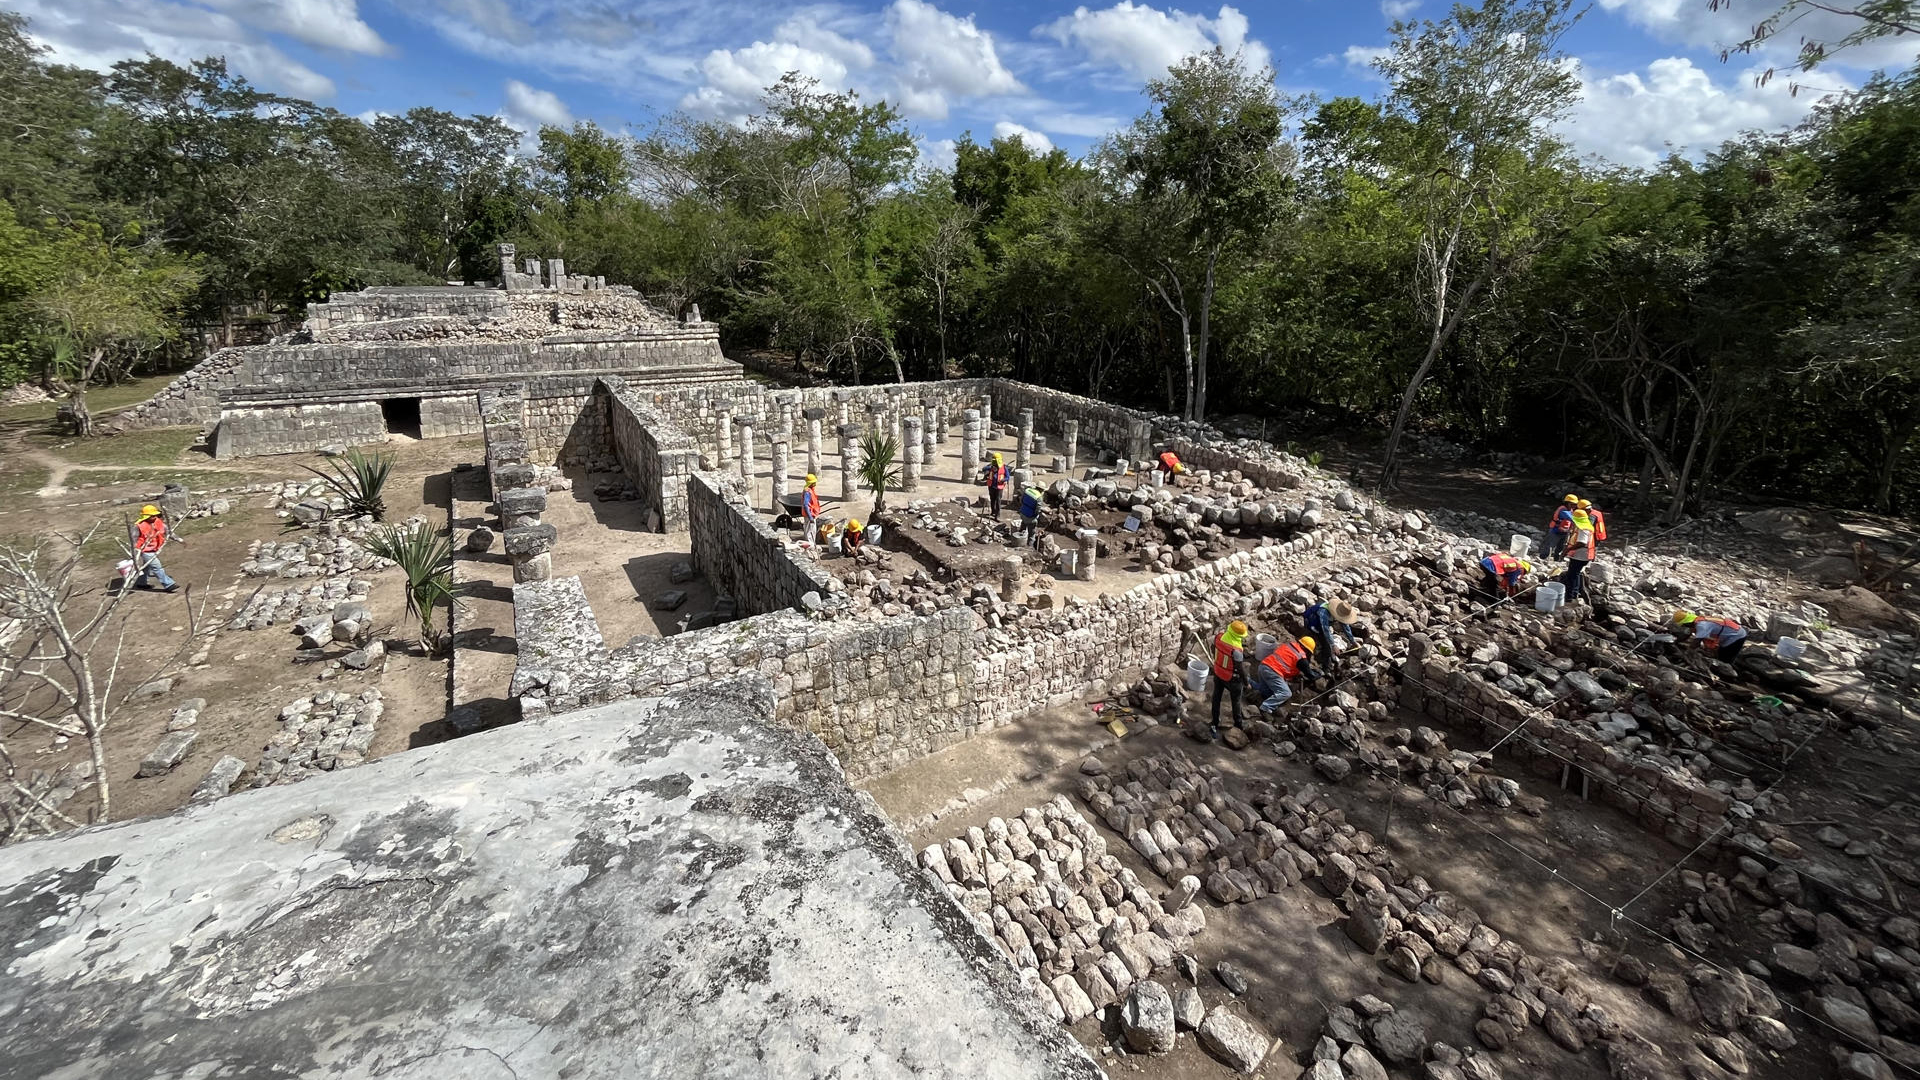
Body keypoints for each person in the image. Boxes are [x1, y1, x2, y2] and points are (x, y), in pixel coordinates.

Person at [1251, 637, 1317, 714]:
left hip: (1263, 666)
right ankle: (1266, 707)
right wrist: (1320, 674)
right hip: (1272, 672)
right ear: (1307, 649)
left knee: (1268, 693)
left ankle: (1249, 682)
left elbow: (1287, 663)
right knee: (1286, 693)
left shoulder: (1289, 646)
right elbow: (1311, 675)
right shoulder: (1301, 658)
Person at [1208, 620, 1249, 738]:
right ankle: (1238, 724)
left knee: (1216, 697)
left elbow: (1214, 648)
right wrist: (1246, 682)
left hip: (1218, 672)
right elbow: (1240, 669)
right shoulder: (1236, 650)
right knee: (1236, 701)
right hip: (1232, 678)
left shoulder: (1219, 638)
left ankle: (1215, 721)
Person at [1673, 610, 1748, 664]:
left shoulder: (1702, 625)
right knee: (1721, 652)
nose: (1683, 626)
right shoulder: (1698, 620)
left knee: (1725, 657)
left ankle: (1729, 674)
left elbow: (1697, 642)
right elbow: (1687, 634)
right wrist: (1675, 641)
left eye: (1683, 624)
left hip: (1737, 636)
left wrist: (1687, 653)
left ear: (1688, 622)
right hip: (1733, 632)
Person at [132, 504, 178, 592]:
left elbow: (168, 532)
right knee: (157, 567)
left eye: (155, 515)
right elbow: (134, 539)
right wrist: (135, 552)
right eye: (152, 516)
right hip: (144, 550)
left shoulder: (158, 522)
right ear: (146, 516)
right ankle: (168, 584)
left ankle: (141, 583)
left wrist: (178, 539)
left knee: (146, 567)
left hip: (154, 549)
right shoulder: (138, 526)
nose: (154, 517)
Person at [1559, 509, 1596, 603]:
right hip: (1584, 556)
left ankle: (1570, 597)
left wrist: (1567, 550)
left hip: (1580, 556)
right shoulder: (1587, 525)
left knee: (1572, 576)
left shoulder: (1582, 528)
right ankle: (1574, 594)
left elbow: (1582, 543)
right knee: (1576, 574)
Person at [1542, 494, 1577, 562]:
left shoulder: (1570, 510)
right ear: (1567, 503)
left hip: (1564, 532)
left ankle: (1556, 559)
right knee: (1550, 546)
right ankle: (1543, 558)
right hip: (1555, 531)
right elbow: (1571, 518)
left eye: (1575, 504)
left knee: (1560, 547)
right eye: (1572, 504)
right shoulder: (1563, 510)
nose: (1574, 506)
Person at [981, 452, 1009, 519]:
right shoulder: (991, 467)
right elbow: (983, 469)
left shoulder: (1004, 467)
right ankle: (993, 512)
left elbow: (1007, 477)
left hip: (999, 487)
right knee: (992, 500)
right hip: (991, 486)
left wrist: (1003, 480)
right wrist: (990, 467)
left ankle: (997, 515)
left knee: (998, 500)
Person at [802, 473, 823, 544]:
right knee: (810, 532)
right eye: (814, 482)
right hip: (809, 514)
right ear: (810, 483)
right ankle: (810, 545)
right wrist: (810, 517)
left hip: (812, 513)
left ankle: (810, 544)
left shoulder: (810, 490)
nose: (815, 483)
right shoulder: (807, 492)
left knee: (811, 530)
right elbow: (805, 505)